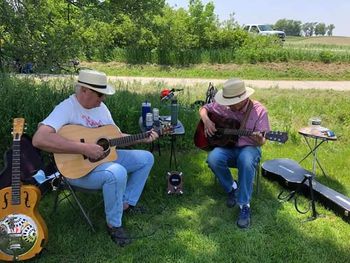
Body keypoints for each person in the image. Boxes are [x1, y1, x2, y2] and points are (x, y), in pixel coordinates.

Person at [32, 69, 159, 246]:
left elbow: (113, 137)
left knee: (146, 159)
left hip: (103, 160)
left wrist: (141, 137)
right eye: (100, 94)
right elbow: (39, 139)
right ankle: (114, 225)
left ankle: (126, 203)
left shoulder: (101, 108)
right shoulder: (66, 108)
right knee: (117, 172)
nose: (103, 99)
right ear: (84, 90)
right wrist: (84, 147)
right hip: (76, 170)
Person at [199, 79, 270, 228]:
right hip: (228, 146)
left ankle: (244, 205)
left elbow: (262, 142)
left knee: (245, 159)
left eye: (231, 102)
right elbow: (204, 108)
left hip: (250, 147)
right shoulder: (224, 106)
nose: (228, 105)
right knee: (213, 158)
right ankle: (232, 188)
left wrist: (256, 137)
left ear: (242, 99)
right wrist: (206, 121)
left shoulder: (259, 111)